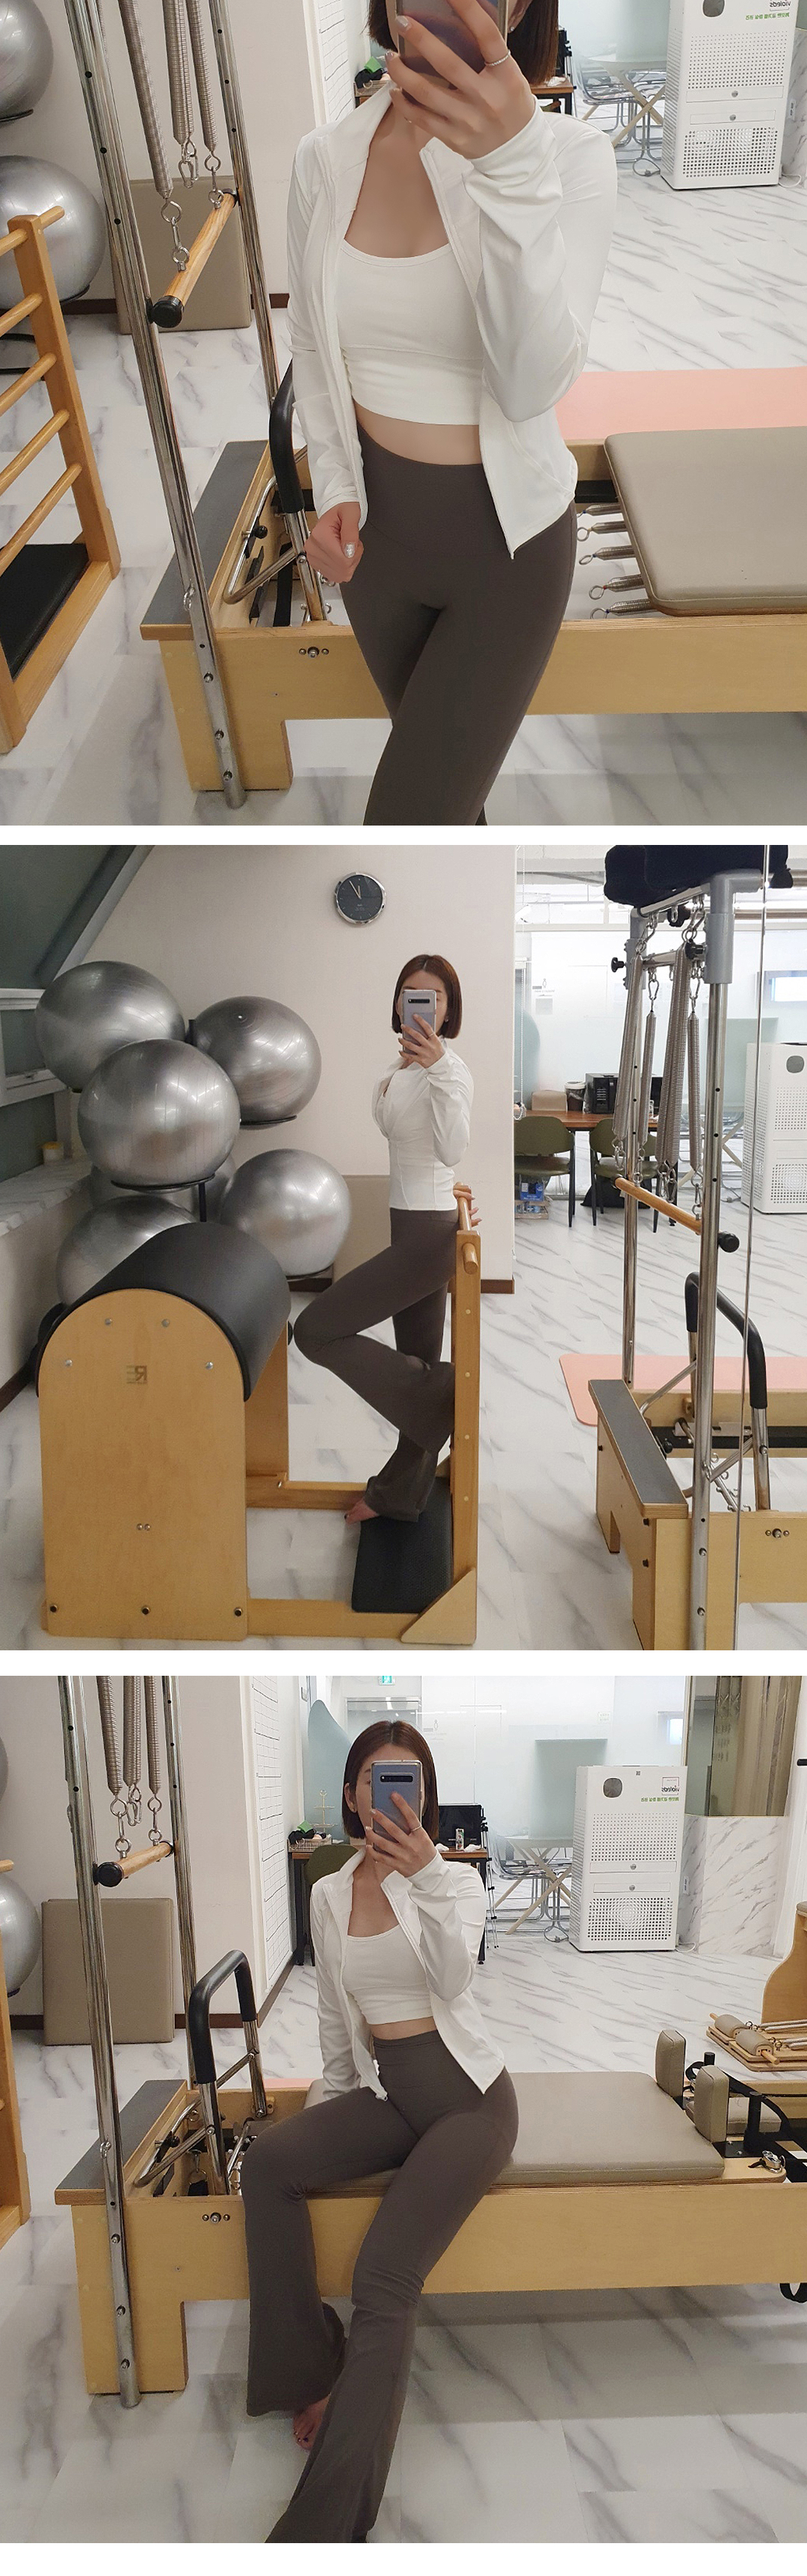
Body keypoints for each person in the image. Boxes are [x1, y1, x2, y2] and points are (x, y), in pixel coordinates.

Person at [286, 0, 617, 826]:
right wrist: (334, 485)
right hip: (374, 548)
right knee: (447, 808)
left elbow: (533, 382)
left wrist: (509, 169)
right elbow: (314, 346)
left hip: (505, 551)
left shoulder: (569, 160)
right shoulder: (323, 159)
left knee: (407, 820)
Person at [243, 1717, 518, 2542]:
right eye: (376, 1777)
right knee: (270, 2164)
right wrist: (324, 2121)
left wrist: (426, 1874)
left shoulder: (454, 1881)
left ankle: (326, 2528)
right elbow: (336, 2022)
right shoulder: (330, 1892)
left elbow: (455, 1980)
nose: (392, 1792)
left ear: (424, 1796)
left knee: (384, 2275)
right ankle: (309, 2370)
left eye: (410, 1780)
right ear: (352, 1792)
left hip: (468, 2101)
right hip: (391, 2092)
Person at [294, 948, 474, 1522]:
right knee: (414, 1364)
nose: (420, 1004)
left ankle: (442, 1391)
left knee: (314, 1329)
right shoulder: (400, 1070)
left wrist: (440, 1070)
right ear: (398, 1004)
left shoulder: (451, 1071)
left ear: (448, 1011)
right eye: (410, 994)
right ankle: (397, 1494)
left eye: (433, 997)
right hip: (410, 1222)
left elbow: (452, 1147)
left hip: (427, 1235)